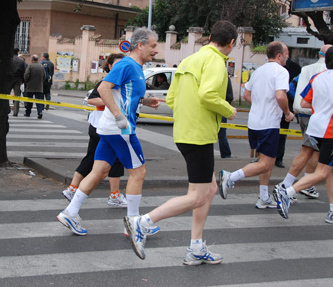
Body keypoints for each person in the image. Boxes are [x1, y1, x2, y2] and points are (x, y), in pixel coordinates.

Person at [127, 21, 238, 264]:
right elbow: (208, 94)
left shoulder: (189, 60)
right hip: (199, 135)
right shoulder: (217, 61)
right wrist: (228, 110)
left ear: (209, 36)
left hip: (185, 132)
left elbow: (173, 98)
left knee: (208, 190)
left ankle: (196, 247)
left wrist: (188, 116)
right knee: (198, 196)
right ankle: (142, 223)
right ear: (231, 43)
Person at [56, 28, 164, 245]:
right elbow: (104, 89)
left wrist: (145, 101)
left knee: (99, 171)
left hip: (109, 129)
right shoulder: (126, 64)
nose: (156, 50)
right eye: (153, 45)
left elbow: (122, 92)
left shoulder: (135, 67)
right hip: (120, 129)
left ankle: (70, 211)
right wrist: (119, 116)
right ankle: (134, 223)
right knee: (138, 173)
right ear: (140, 45)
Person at [274, 46, 333, 223]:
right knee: (322, 173)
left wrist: (322, 106)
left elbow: (305, 102)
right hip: (332, 130)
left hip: (315, 128)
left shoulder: (317, 78)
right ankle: (287, 192)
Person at [219, 41, 294, 210]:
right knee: (266, 164)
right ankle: (230, 177)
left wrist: (260, 105)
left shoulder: (258, 71)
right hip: (269, 123)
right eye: (287, 53)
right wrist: (288, 113)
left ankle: (263, 197)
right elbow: (281, 96)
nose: (288, 57)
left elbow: (246, 94)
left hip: (254, 122)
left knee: (266, 160)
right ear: (279, 55)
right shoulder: (281, 72)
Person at [62, 53, 129, 207]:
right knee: (113, 160)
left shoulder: (121, 82)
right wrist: (110, 101)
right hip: (103, 126)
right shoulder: (107, 82)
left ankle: (73, 189)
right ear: (110, 66)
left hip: (106, 126)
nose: (121, 68)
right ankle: (114, 195)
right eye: (117, 64)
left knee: (96, 160)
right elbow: (91, 99)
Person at [278, 45, 333, 200]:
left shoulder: (307, 69)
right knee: (309, 151)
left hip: (302, 112)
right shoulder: (328, 71)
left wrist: (297, 106)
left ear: (319, 54)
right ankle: (287, 185)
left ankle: (305, 184)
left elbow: (295, 88)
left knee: (311, 150)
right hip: (316, 115)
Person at [275, 57, 301, 168]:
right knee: (272, 133)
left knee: (281, 134)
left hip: (286, 105)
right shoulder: (275, 68)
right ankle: (266, 156)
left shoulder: (296, 68)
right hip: (278, 105)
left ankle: (278, 157)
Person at [23, 54, 46, 119]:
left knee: (29, 100)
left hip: (30, 86)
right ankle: (40, 112)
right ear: (38, 60)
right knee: (38, 100)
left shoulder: (30, 66)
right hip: (39, 86)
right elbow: (44, 76)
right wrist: (41, 82)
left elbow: (26, 75)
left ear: (32, 60)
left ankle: (28, 112)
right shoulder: (41, 66)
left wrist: (26, 81)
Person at [218, 74, 234, 158]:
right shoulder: (225, 77)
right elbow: (230, 96)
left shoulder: (223, 77)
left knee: (221, 134)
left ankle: (226, 154)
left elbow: (229, 96)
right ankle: (226, 154)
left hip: (219, 108)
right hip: (222, 108)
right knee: (221, 134)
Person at [11, 47, 25, 116]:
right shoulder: (21, 61)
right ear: (17, 52)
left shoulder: (9, 60)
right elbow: (23, 72)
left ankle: (5, 109)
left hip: (9, 79)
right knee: (17, 96)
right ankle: (15, 112)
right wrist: (22, 80)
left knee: (5, 95)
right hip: (17, 80)